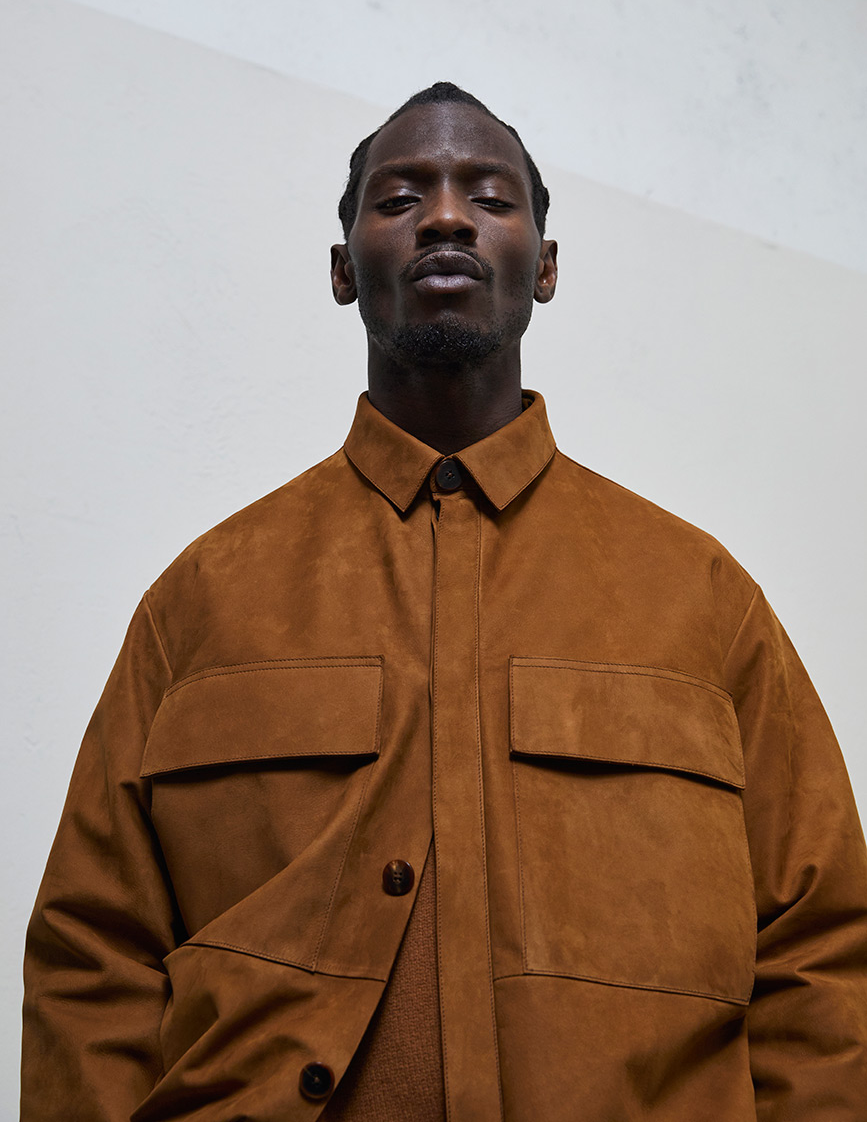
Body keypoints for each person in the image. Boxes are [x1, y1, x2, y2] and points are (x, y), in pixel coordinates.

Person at [22, 81, 867, 1120]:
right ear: (343, 270)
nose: (447, 217)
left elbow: (822, 952)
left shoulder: (705, 599)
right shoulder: (201, 600)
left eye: (490, 196)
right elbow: (92, 956)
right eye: (399, 197)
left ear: (544, 266)